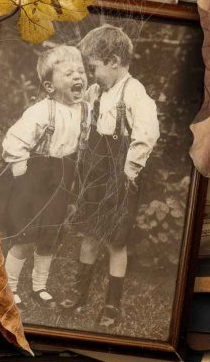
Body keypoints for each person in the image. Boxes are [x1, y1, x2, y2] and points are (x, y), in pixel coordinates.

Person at [60, 24, 160, 328]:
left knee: (116, 241)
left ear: (114, 61)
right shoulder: (95, 92)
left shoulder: (134, 92)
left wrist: (129, 171)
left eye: (94, 67)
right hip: (95, 171)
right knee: (89, 232)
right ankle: (80, 293)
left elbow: (147, 133)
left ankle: (112, 304)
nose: (91, 75)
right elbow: (81, 115)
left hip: (120, 175)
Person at [0, 45, 90, 309]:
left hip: (63, 175)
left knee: (50, 234)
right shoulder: (41, 111)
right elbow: (13, 140)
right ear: (50, 87)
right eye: (69, 73)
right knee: (25, 236)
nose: (78, 77)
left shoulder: (85, 109)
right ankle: (9, 286)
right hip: (34, 176)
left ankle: (39, 286)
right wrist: (20, 169)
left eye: (81, 72)